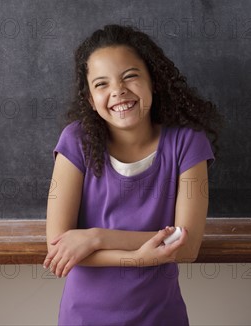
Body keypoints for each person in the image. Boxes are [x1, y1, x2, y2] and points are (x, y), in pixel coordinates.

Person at [44, 23, 224, 326]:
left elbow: (187, 246)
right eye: (101, 84)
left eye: (130, 76)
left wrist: (96, 237)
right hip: (84, 318)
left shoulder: (188, 143)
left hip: (159, 317)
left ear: (153, 81)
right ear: (90, 99)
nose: (118, 91)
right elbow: (59, 247)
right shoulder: (76, 142)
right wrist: (140, 257)